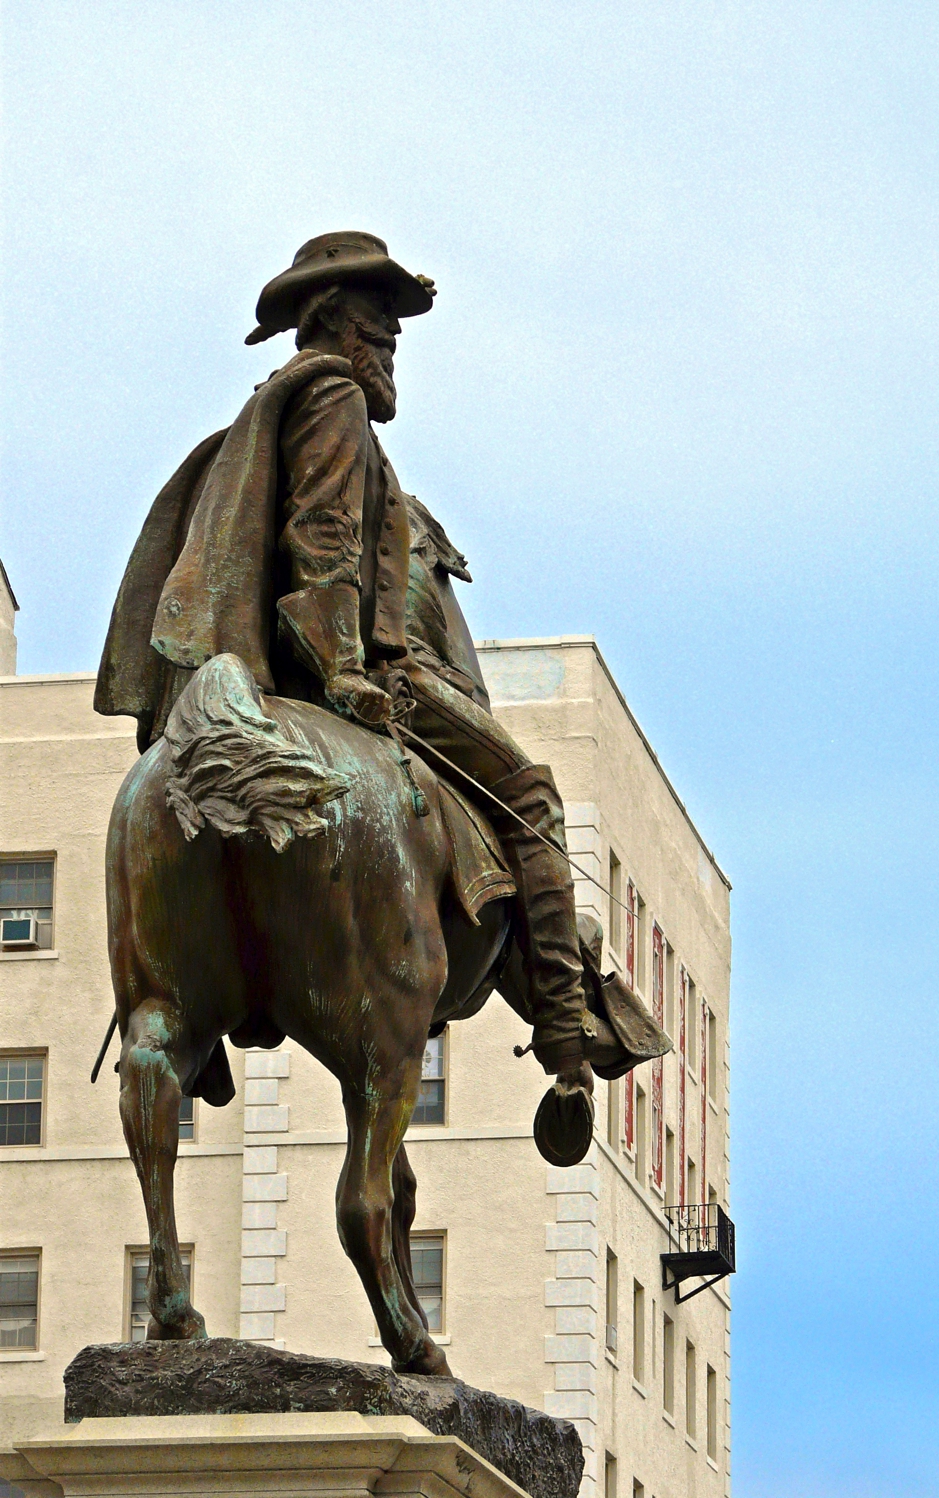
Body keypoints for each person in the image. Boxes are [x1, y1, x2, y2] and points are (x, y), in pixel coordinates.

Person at [97, 231, 602, 1100]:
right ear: (338, 325)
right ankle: (563, 1026)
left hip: (266, 664)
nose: (394, 349)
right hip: (352, 669)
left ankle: (190, 987)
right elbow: (322, 536)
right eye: (383, 328)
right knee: (531, 791)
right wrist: (344, 671)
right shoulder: (333, 397)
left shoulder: (267, 409)